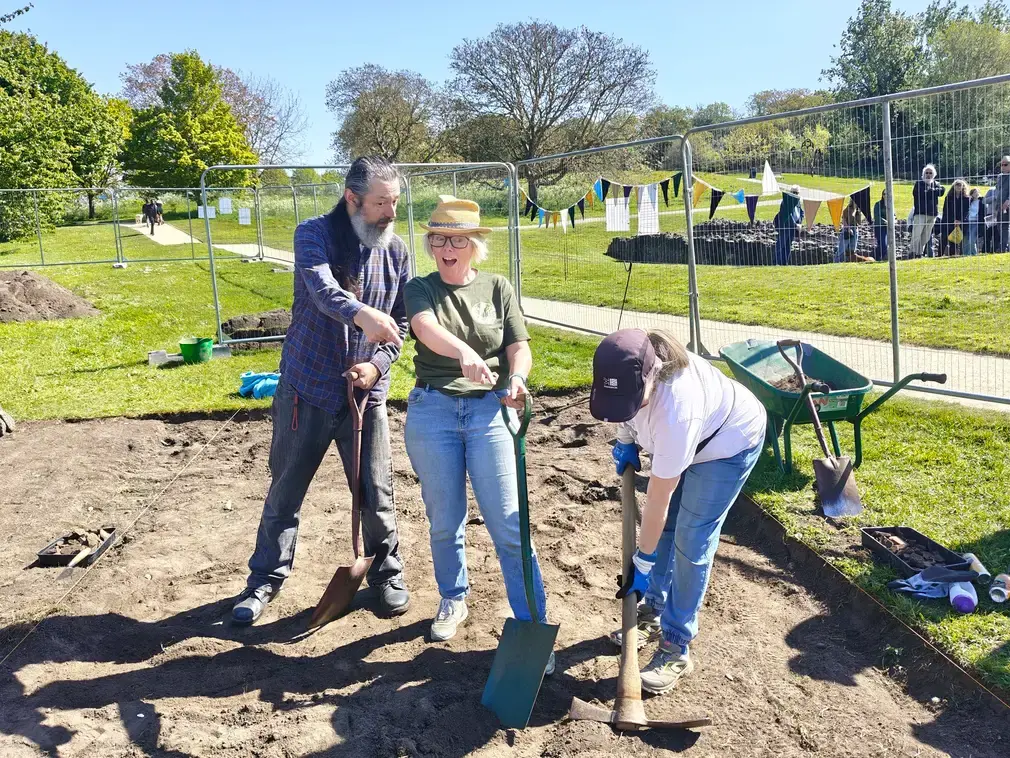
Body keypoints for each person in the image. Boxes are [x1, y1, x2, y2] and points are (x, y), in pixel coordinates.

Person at [233, 156, 412, 625]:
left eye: (394, 201)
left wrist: (376, 365)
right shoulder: (313, 234)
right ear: (351, 199)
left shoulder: (397, 253)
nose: (390, 212)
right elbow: (321, 288)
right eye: (380, 203)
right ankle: (264, 582)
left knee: (376, 493)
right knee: (286, 490)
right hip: (305, 389)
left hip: (365, 396)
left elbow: (405, 324)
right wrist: (363, 314)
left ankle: (386, 572)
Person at [402, 196, 554, 672]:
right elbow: (424, 329)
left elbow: (519, 347)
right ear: (430, 244)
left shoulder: (497, 287)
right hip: (434, 411)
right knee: (445, 520)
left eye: (458, 239)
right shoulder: (419, 288)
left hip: (491, 412)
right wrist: (464, 353)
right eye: (439, 238)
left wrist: (517, 379)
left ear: (474, 246)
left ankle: (532, 624)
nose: (448, 247)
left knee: (509, 523)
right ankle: (453, 598)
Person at [590, 329, 766, 694]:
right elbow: (622, 407)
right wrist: (625, 440)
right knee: (666, 533)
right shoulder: (629, 376)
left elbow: (658, 500)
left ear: (651, 378)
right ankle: (653, 609)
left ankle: (675, 645)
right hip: (687, 440)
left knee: (690, 537)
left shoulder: (676, 410)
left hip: (727, 444)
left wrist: (641, 562)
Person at [910, 164, 944, 258]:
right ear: (923, 174)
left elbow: (942, 191)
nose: (928, 175)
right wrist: (933, 192)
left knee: (926, 236)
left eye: (930, 173)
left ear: (934, 174)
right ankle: (912, 253)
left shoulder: (936, 184)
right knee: (916, 234)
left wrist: (931, 191)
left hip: (932, 214)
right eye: (926, 173)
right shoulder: (919, 184)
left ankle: (919, 253)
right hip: (920, 213)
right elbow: (920, 194)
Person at [834, 198, 873, 263]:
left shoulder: (857, 211)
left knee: (852, 248)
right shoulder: (847, 209)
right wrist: (848, 228)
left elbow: (859, 222)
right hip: (848, 229)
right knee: (842, 247)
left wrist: (859, 214)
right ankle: (837, 261)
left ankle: (848, 261)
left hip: (855, 229)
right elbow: (843, 220)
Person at [938, 180, 970, 257]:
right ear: (954, 186)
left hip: (960, 222)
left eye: (960, 185)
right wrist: (952, 220)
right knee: (944, 239)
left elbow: (966, 211)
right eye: (957, 185)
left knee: (955, 240)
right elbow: (945, 210)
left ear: (963, 187)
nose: (958, 187)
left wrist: (960, 220)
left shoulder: (966, 198)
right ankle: (939, 255)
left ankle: (952, 255)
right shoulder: (949, 197)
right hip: (948, 221)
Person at [773, 186, 803, 265]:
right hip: (785, 227)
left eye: (797, 193)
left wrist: (800, 223)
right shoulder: (785, 202)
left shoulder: (798, 202)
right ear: (791, 192)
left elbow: (801, 212)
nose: (795, 194)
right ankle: (776, 262)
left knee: (788, 246)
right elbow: (788, 215)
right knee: (780, 245)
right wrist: (795, 224)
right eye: (794, 192)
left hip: (793, 228)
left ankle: (784, 263)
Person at [871, 190, 894, 262]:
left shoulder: (891, 205)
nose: (886, 196)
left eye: (887, 194)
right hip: (879, 227)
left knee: (886, 243)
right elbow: (877, 216)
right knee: (882, 243)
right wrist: (886, 222)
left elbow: (894, 215)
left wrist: (894, 220)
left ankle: (878, 258)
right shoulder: (878, 204)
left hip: (888, 227)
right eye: (884, 194)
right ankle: (879, 258)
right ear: (882, 195)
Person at [995, 156, 1010, 252]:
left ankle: (1004, 247)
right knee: (999, 225)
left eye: (1005, 164)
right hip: (999, 205)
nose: (1003, 166)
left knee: (1005, 226)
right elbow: (998, 191)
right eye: (1001, 164)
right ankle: (1004, 246)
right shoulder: (1000, 177)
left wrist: (1008, 201)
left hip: (1007, 205)